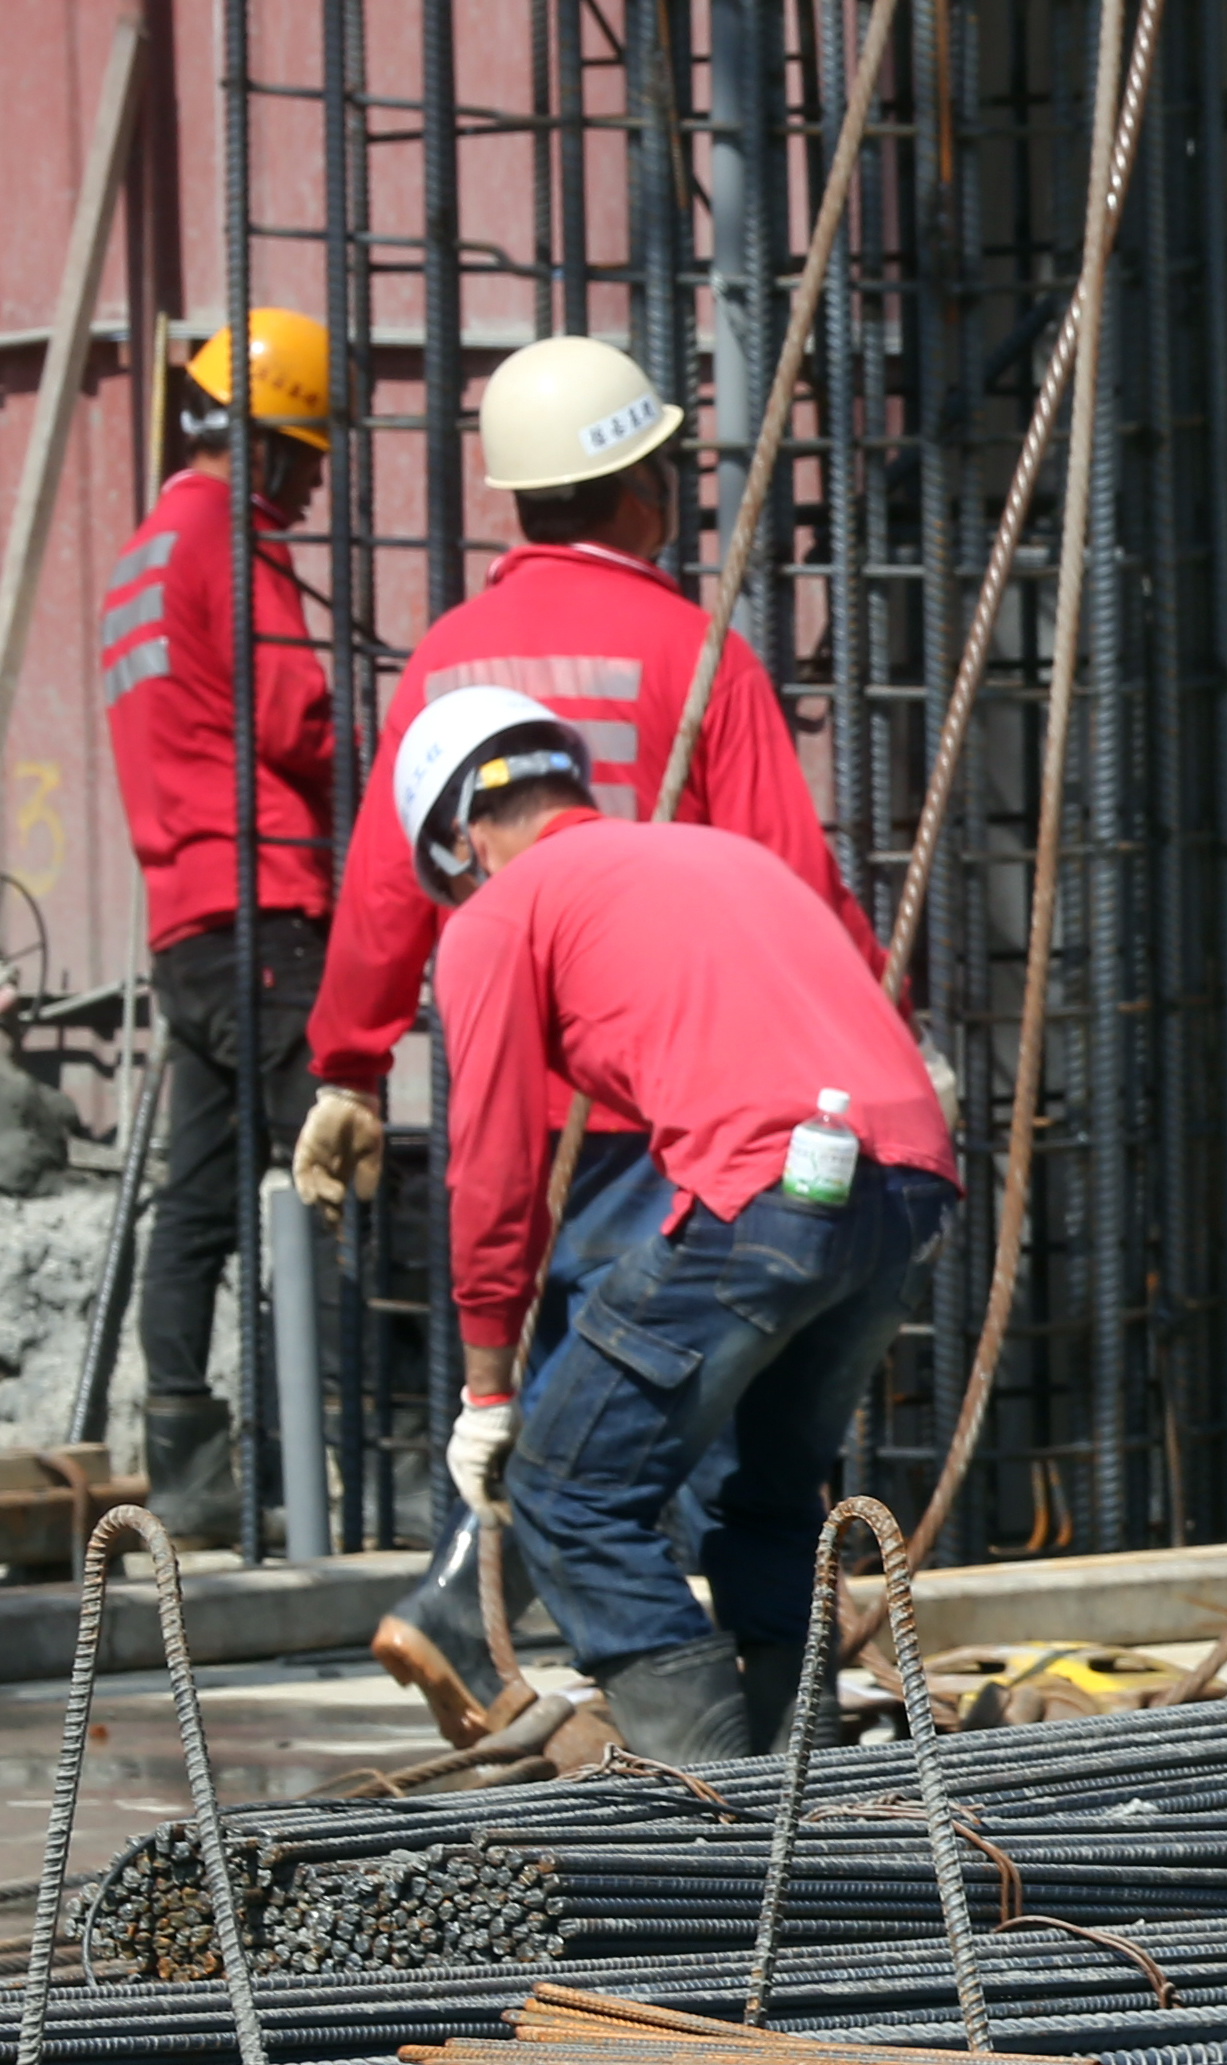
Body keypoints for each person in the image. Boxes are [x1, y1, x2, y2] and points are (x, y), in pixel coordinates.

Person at [284, 335, 886, 1738]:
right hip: (684, 1098)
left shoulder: (447, 659)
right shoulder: (696, 647)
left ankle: (468, 1609)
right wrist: (865, 1037)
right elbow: (788, 875)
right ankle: (730, 1705)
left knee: (559, 1378)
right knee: (689, 1399)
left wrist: (351, 1063)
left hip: (523, 1063)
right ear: (639, 487)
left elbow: (387, 884)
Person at [391, 687, 956, 1764]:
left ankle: (714, 1796)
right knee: (770, 1498)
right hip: (913, 1188)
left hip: (771, 1191)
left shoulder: (499, 915)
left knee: (566, 1493)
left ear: (464, 836)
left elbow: (494, 1171)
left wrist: (488, 1393)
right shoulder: (722, 855)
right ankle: (803, 1785)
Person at [92, 310, 338, 1549]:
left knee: (196, 1203)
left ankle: (186, 1476)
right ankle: (341, 1460)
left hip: (185, 926)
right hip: (269, 905)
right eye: (308, 454)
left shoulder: (137, 558)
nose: (315, 484)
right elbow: (296, 719)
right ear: (264, 443)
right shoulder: (228, 542)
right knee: (333, 1178)